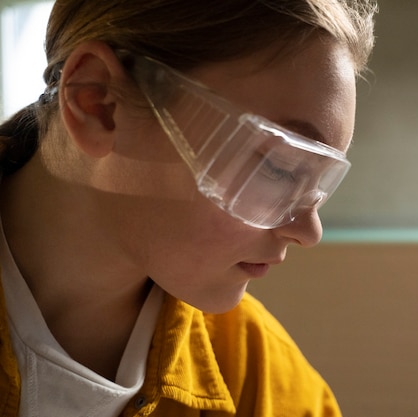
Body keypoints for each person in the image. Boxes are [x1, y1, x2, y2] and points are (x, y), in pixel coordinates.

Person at [0, 0, 376, 415]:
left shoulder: (258, 378)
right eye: (279, 166)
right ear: (99, 102)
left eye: (321, 180)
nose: (310, 231)